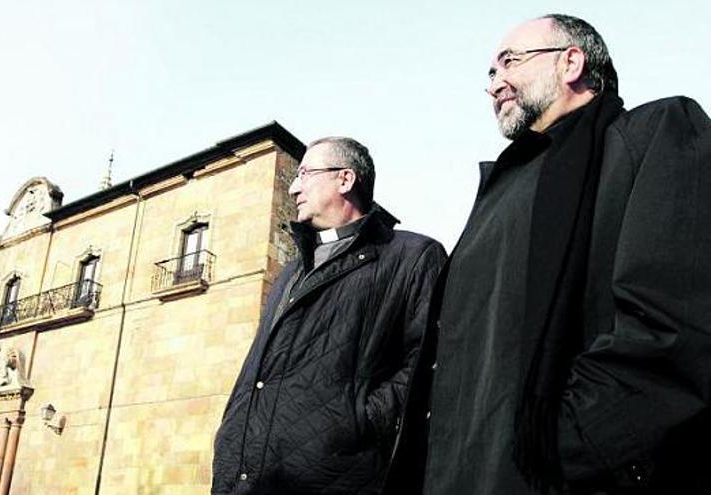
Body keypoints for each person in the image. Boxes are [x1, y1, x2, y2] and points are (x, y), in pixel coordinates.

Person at [384, 13, 711, 495]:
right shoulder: (495, 196)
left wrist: (566, 446)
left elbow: (673, 326)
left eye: (509, 62)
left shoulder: (654, 134)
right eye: (490, 74)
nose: (495, 84)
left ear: (571, 62)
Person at [212, 137, 446, 494]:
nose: (293, 187)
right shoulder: (290, 273)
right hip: (242, 479)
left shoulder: (412, 257)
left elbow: (429, 362)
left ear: (345, 179)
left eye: (305, 173)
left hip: (335, 478)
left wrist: (356, 423)